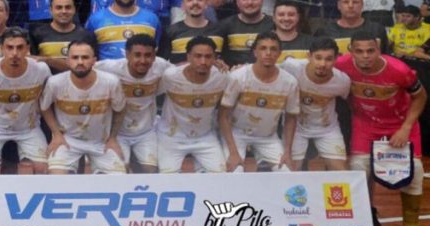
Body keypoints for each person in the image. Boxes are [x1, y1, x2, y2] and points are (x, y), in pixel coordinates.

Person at [336, 31, 429, 226]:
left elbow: (421, 96)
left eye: (371, 51)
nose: (365, 56)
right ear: (351, 51)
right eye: (359, 51)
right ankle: (364, 221)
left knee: (414, 171)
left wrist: (406, 127)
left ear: (379, 50)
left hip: (399, 125)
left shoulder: (399, 70)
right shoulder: (341, 65)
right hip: (365, 125)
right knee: (359, 170)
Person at [41, 39, 127, 175]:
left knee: (119, 180)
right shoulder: (55, 83)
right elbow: (44, 107)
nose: (80, 62)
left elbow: (120, 109)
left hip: (101, 142)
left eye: (85, 57)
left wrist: (113, 138)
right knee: (56, 179)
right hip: (68, 140)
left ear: (94, 60)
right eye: (75, 57)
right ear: (67, 61)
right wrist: (56, 134)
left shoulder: (111, 82)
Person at [218, 32, 300, 172]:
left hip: (268, 136)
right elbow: (223, 116)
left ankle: (264, 165)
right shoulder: (238, 77)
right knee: (235, 171)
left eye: (273, 49)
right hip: (237, 134)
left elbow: (291, 118)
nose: (268, 53)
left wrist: (287, 151)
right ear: (255, 52)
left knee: (286, 171)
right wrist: (233, 152)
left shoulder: (290, 82)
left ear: (279, 53)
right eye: (263, 48)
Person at [0, 27, 51, 175]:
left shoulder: (41, 70)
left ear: (27, 48)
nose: (15, 53)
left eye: (20, 48)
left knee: (43, 169)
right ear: (1, 48)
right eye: (10, 48)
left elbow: (46, 95)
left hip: (29, 128)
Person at [96, 34, 170, 173]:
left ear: (154, 56)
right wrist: (46, 59)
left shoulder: (161, 66)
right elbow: (80, 67)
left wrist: (213, 64)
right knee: (119, 172)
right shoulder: (109, 67)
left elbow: (183, 69)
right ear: (127, 55)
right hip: (117, 133)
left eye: (148, 55)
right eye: (137, 55)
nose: (143, 60)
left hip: (146, 131)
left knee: (152, 171)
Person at [157, 36, 228, 173]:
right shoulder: (170, 76)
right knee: (167, 179)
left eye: (208, 57)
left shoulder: (222, 76)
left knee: (221, 176)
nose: (203, 61)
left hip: (205, 137)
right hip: (171, 138)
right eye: (198, 56)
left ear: (215, 59)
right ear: (188, 57)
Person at [280, 37, 351, 171]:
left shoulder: (342, 81)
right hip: (296, 128)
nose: (322, 64)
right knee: (289, 171)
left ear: (336, 59)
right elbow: (269, 70)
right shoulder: (291, 67)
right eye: (318, 58)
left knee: (341, 172)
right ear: (309, 56)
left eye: (329, 59)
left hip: (327, 129)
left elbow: (350, 104)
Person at [86, 0, 160, 60]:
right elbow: (89, 52)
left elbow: (156, 51)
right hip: (105, 72)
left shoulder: (152, 19)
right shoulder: (95, 19)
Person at [31, 0, 96, 72]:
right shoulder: (37, 34)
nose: (64, 11)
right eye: (59, 8)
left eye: (68, 7)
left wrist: (49, 60)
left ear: (74, 10)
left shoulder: (87, 35)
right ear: (50, 10)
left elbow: (93, 65)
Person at [215, 0, 275, 66]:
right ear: (237, 2)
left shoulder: (274, 25)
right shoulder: (223, 26)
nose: (250, 2)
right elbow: (216, 56)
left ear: (262, 0)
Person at [316, 0, 389, 54]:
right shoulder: (324, 32)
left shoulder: (376, 30)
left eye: (355, 2)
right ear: (339, 5)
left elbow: (385, 58)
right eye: (346, 2)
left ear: (362, 5)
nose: (350, 6)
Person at [162, 0, 223, 64]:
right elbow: (162, 63)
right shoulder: (170, 31)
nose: (195, 3)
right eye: (190, 0)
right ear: (183, 6)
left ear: (206, 4)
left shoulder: (220, 30)